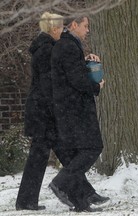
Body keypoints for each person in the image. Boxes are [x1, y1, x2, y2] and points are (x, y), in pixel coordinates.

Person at [49, 15, 108, 212]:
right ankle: (61, 182)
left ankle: (80, 202)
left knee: (76, 154)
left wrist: (85, 63)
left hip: (68, 108)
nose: (87, 30)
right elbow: (76, 81)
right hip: (74, 109)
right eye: (85, 26)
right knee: (92, 147)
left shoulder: (67, 46)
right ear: (74, 25)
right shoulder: (68, 46)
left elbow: (71, 72)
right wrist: (96, 85)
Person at [15, 12, 64, 211]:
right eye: (61, 27)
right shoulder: (47, 51)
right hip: (44, 114)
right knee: (40, 157)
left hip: (42, 112)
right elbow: (48, 85)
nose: (62, 31)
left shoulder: (45, 48)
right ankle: (26, 201)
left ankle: (80, 193)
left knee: (43, 156)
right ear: (53, 29)